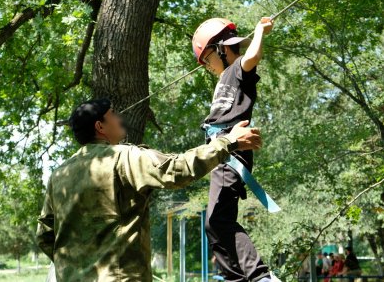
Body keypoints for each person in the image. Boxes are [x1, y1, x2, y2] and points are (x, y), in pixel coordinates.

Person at [36, 98, 263, 282]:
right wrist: (228, 142)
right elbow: (177, 170)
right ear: (100, 126)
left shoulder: (59, 176)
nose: (120, 118)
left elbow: (45, 236)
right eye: (114, 113)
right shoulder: (124, 157)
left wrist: (75, 267)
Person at [192, 17, 278, 282]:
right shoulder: (224, 79)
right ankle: (238, 278)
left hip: (231, 151)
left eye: (207, 59)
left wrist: (260, 32)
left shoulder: (238, 70)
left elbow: (252, 56)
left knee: (217, 221)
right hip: (221, 151)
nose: (207, 66)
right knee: (214, 223)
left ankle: (260, 277)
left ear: (222, 49)